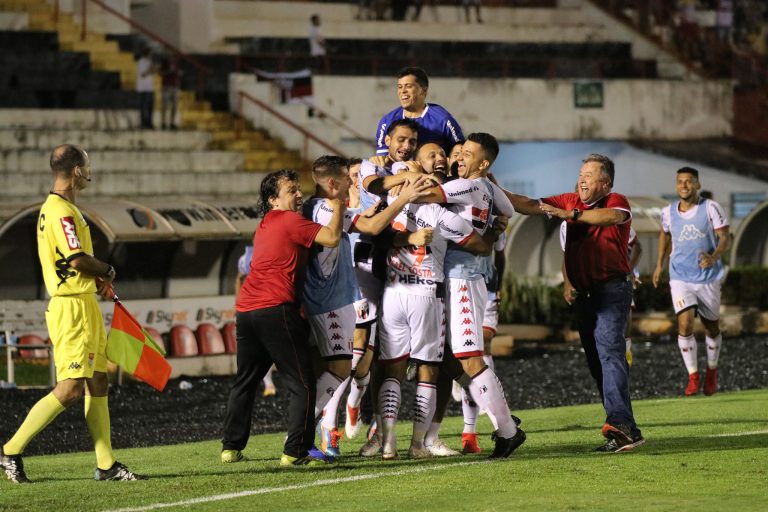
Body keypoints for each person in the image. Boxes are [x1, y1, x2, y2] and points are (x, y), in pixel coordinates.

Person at [0, 144, 144, 483]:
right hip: (71, 309)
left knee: (98, 380)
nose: (90, 169)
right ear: (77, 171)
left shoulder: (62, 209)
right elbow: (75, 258)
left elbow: (74, 265)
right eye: (88, 164)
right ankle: (10, 450)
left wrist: (97, 285)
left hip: (84, 303)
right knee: (70, 388)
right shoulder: (61, 212)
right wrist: (107, 271)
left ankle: (106, 465)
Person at [502, 153, 644, 453]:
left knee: (609, 353)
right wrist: (493, 190)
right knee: (597, 363)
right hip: (586, 295)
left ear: (605, 183)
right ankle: (625, 428)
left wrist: (572, 215)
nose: (582, 178)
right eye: (581, 173)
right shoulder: (568, 199)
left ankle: (620, 424)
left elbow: (610, 218)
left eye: (589, 175)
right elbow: (531, 205)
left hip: (612, 290)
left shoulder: (615, 201)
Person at [302, 155, 429, 458]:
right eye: (349, 176)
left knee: (352, 368)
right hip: (334, 297)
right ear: (334, 182)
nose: (353, 181)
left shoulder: (335, 206)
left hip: (355, 292)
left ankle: (322, 422)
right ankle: (314, 428)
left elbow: (369, 226)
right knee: (339, 368)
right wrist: (405, 198)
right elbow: (371, 228)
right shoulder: (325, 208)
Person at [220, 169, 344, 467]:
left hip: (247, 310)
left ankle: (230, 448)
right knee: (302, 383)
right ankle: (295, 452)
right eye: (292, 190)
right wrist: (337, 205)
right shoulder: (290, 220)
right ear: (274, 199)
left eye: (299, 189)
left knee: (245, 381)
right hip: (276, 309)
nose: (299, 194)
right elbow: (331, 238)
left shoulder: (264, 224)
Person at [652, 167, 730, 397]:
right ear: (676, 186)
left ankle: (712, 371)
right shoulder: (668, 212)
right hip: (680, 276)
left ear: (697, 184)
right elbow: (664, 235)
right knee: (685, 324)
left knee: (711, 327)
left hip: (708, 278)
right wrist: (659, 265)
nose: (684, 185)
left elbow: (724, 236)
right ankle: (693, 376)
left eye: (689, 181)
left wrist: (714, 256)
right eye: (680, 182)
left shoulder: (711, 208)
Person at [374, 67, 463, 157]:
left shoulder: (443, 119)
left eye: (408, 86)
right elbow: (382, 160)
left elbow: (459, 152)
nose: (403, 91)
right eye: (400, 87)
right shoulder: (387, 121)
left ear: (423, 91)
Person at [234, 245, 276, 397]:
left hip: (246, 308)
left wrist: (237, 303)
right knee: (268, 349)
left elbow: (239, 278)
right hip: (265, 307)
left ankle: (249, 386)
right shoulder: (270, 253)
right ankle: (268, 383)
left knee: (251, 351)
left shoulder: (244, 258)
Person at [136, 47, 156, 130]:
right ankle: (143, 123)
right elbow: (143, 74)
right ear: (147, 54)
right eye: (150, 54)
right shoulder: (140, 62)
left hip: (150, 88)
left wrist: (154, 69)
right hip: (142, 88)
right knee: (143, 106)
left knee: (150, 107)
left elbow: (153, 72)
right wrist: (151, 68)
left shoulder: (150, 62)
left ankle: (149, 123)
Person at [159, 54, 180, 130]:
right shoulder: (164, 62)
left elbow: (176, 73)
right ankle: (163, 123)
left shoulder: (176, 62)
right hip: (166, 86)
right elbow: (160, 73)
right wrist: (168, 71)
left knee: (175, 106)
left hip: (174, 86)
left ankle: (172, 123)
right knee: (165, 105)